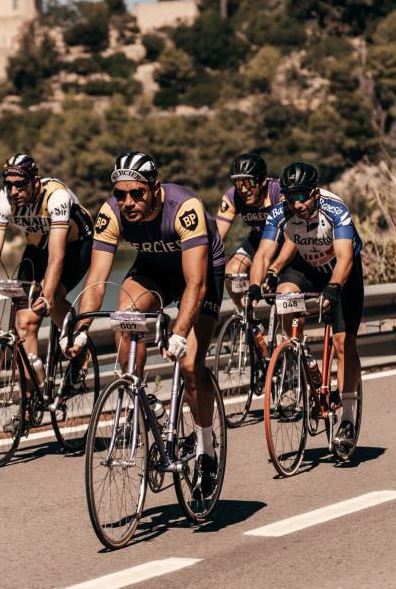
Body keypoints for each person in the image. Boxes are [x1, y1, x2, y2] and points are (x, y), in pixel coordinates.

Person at [65, 152, 225, 496]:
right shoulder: (111, 213)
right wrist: (80, 330)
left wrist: (180, 333)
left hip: (199, 275)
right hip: (154, 269)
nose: (127, 202)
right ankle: (139, 395)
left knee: (190, 363)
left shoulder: (185, 207)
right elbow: (96, 280)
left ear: (154, 188)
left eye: (136, 193)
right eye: (120, 194)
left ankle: (206, 451)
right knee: (125, 316)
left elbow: (195, 285)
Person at [249, 161, 364, 457]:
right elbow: (263, 253)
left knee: (343, 343)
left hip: (341, 270)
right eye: (290, 197)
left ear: (315, 192)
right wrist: (254, 285)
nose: (297, 204)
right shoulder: (281, 211)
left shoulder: (335, 208)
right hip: (306, 267)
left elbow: (345, 257)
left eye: (302, 196)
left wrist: (335, 287)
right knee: (285, 294)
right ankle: (298, 352)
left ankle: (348, 420)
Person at [0, 154, 93, 382]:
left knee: (54, 296)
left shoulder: (56, 196)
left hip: (74, 245)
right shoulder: (2, 201)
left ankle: (77, 346)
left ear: (36, 182)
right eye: (8, 185)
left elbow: (57, 256)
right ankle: (31, 400)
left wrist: (47, 297)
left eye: (20, 185)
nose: (14, 191)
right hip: (37, 246)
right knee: (24, 322)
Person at [216, 152, 283, 311]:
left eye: (249, 182)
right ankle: (246, 314)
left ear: (262, 181)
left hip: (283, 242)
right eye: (238, 184)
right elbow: (217, 239)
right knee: (232, 273)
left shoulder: (278, 192)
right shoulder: (232, 197)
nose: (244, 189)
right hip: (257, 240)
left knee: (281, 293)